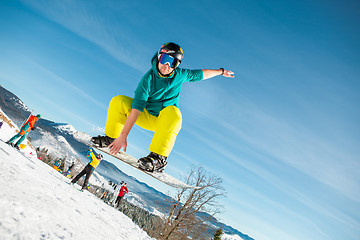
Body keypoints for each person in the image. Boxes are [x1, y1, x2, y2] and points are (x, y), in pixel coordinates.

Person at [91, 42, 234, 172]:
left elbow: (201, 74)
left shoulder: (180, 75)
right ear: (159, 57)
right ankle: (110, 138)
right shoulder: (148, 79)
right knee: (118, 101)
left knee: (174, 112)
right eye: (165, 60)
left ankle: (158, 158)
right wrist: (123, 135)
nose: (167, 66)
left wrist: (221, 71)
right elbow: (136, 108)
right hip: (145, 116)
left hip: (164, 122)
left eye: (173, 63)